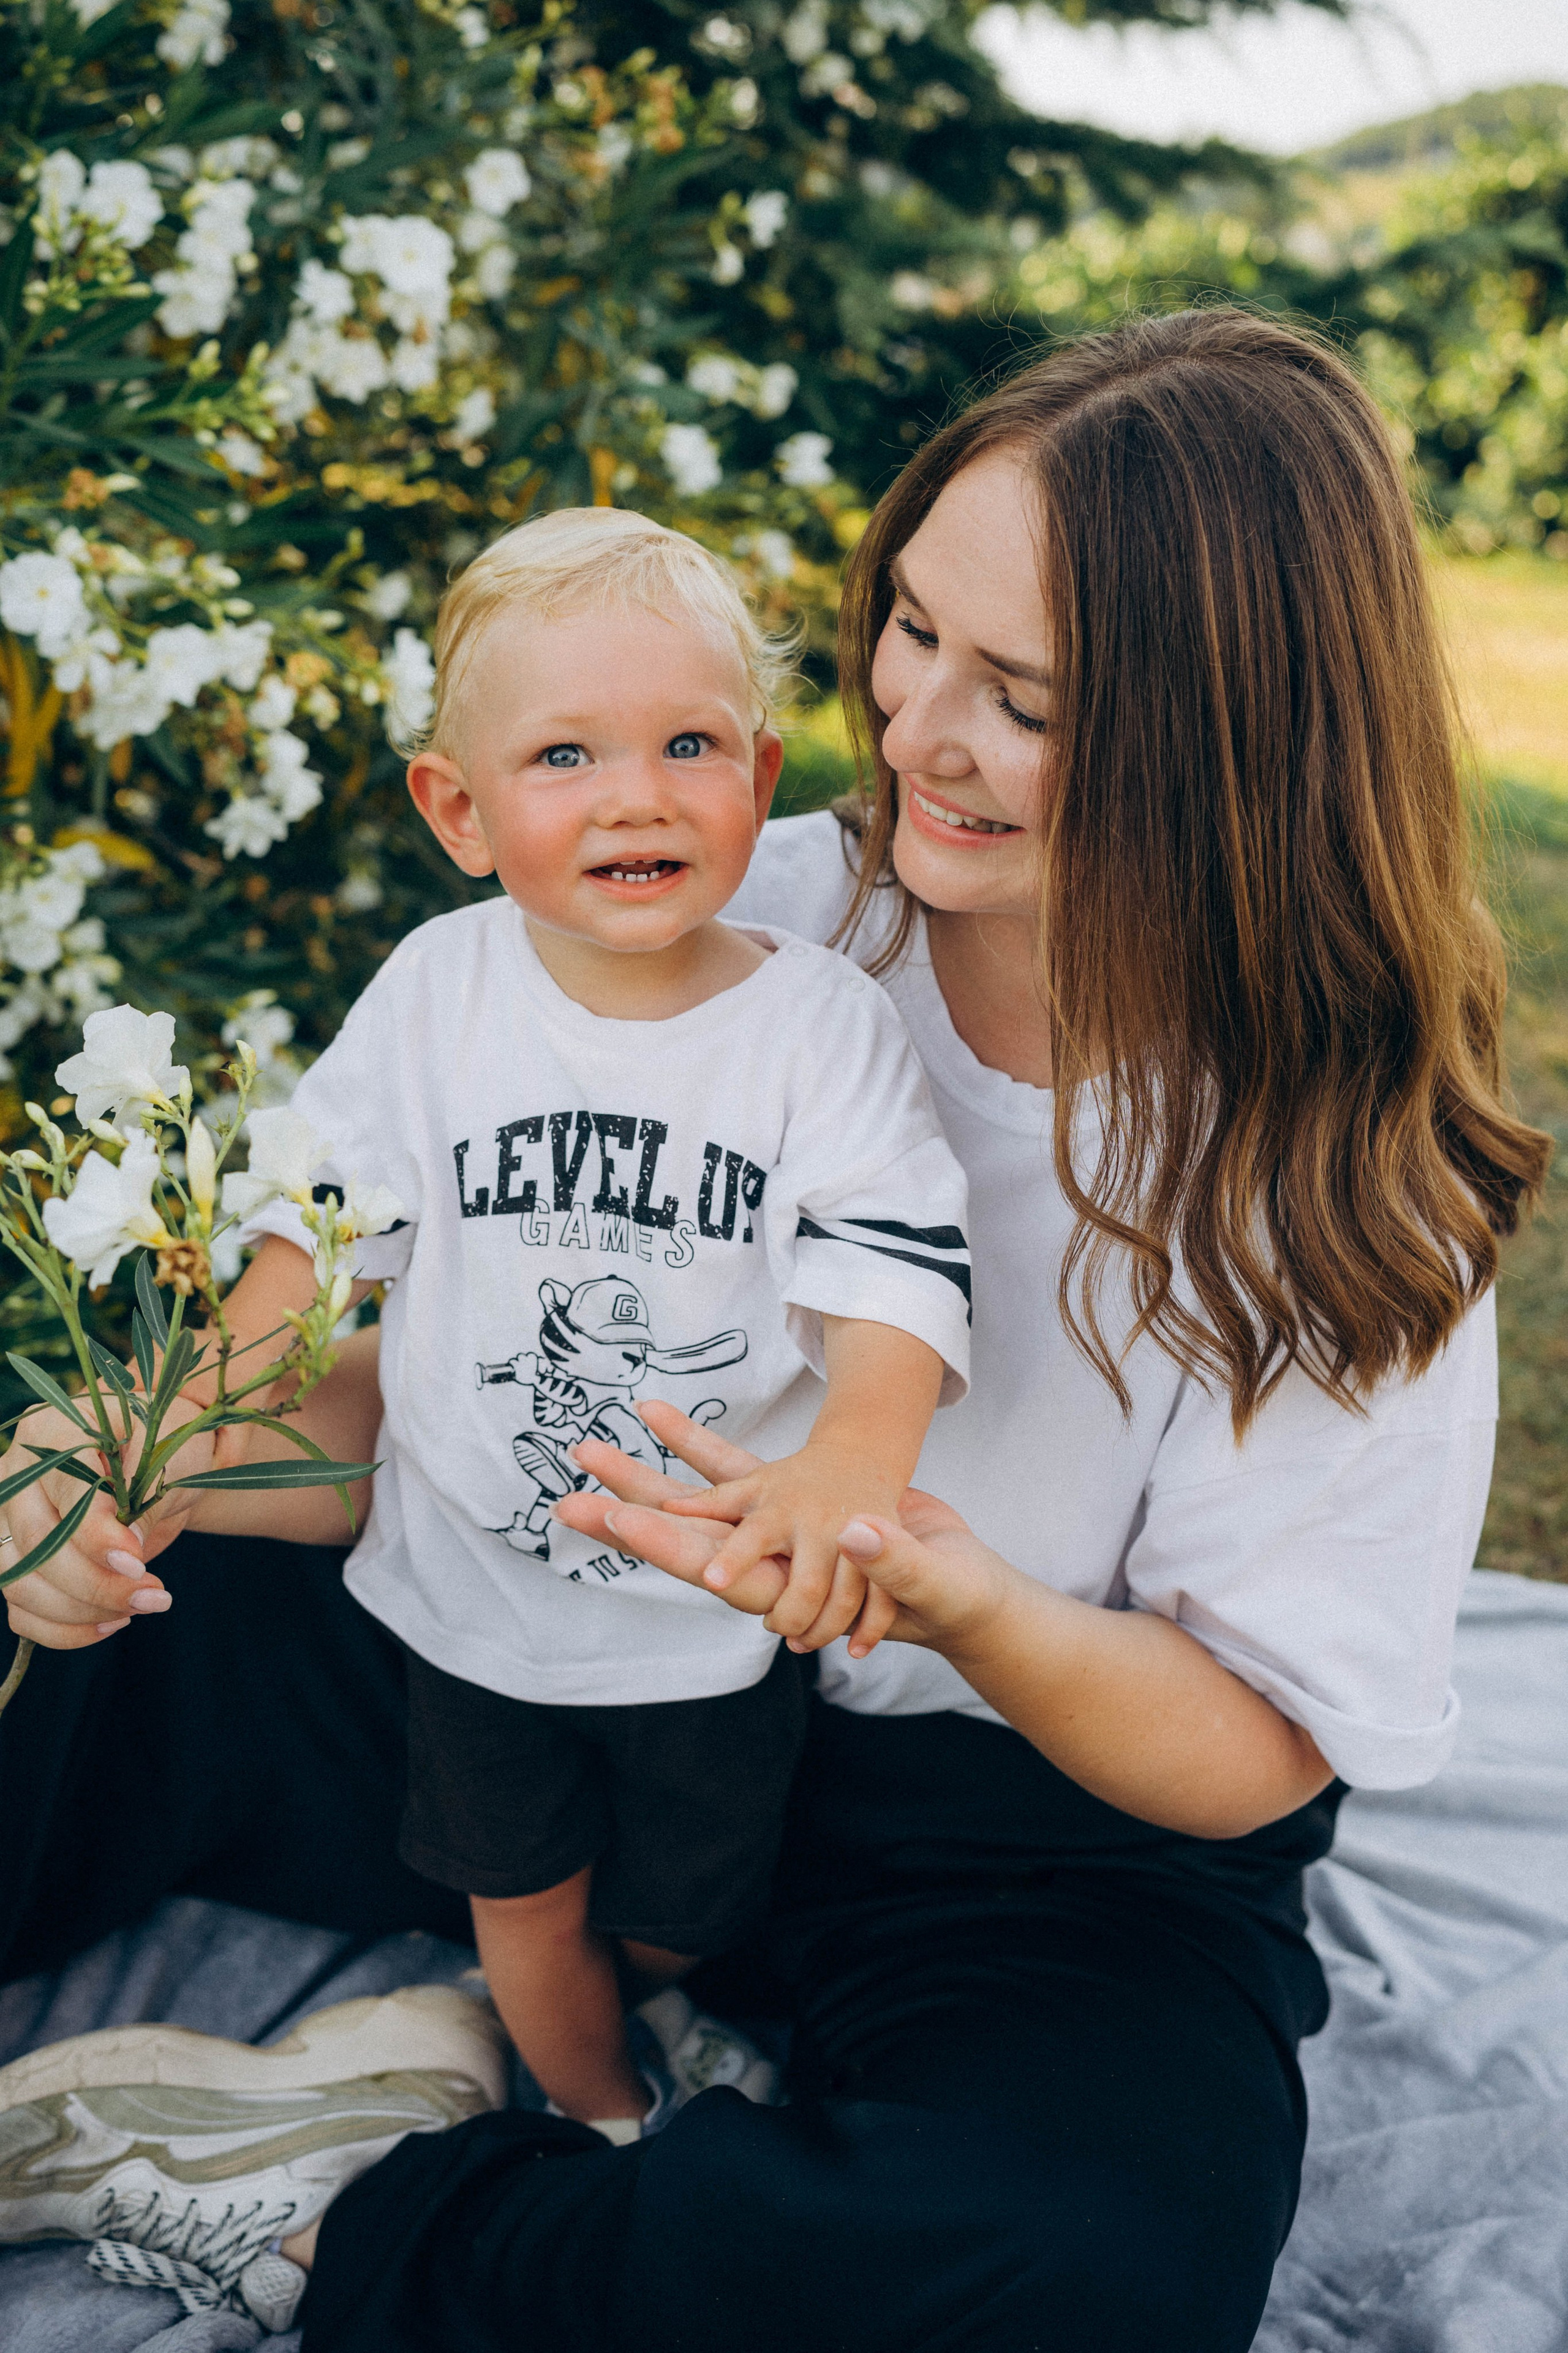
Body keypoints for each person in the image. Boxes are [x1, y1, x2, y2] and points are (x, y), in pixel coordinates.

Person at [0, 307, 1548, 2352]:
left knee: (1078, 2255)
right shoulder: (728, 908)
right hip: (552, 1661)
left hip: (1021, 1849)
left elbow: (1261, 1753)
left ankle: (356, 2209)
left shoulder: (1346, 1178)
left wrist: (956, 1598)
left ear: (1226, 752)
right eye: (911, 629)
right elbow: (415, 1395)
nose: (911, 735)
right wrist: (130, 1466)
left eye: (1027, 700)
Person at [66, 507, 973, 2140]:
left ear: (758, 783)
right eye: (566, 754)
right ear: (461, 810)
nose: (637, 792)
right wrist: (164, 1445)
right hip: (474, 1599)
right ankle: (604, 2120)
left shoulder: (815, 1027)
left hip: (711, 1615)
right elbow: (310, 1254)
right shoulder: (439, 998)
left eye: (688, 742)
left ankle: (645, 2005)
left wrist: (854, 1456)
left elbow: (894, 1266)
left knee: (703, 1902)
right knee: (526, 1906)